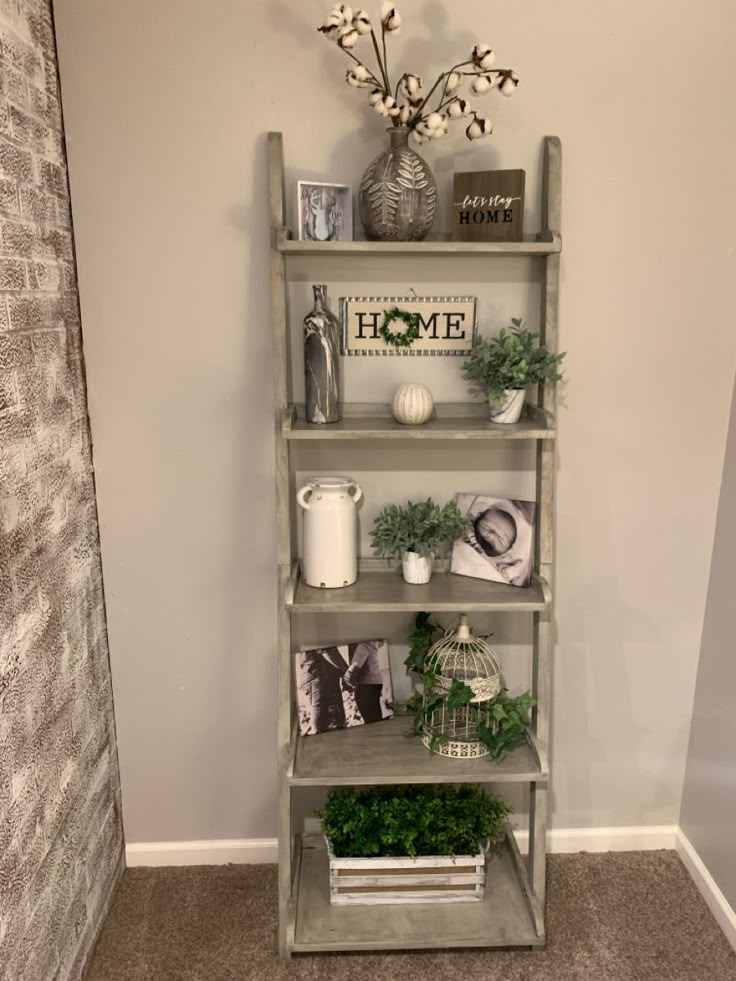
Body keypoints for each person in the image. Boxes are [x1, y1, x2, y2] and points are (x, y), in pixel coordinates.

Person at [298, 648, 347, 733]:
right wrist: (348, 673)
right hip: (319, 675)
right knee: (325, 720)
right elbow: (327, 650)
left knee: (336, 720)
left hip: (323, 675)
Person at [342, 639, 385, 724]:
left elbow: (353, 668)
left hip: (366, 684)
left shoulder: (364, 642)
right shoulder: (372, 640)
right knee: (376, 718)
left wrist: (349, 681)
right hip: (376, 681)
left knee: (371, 721)